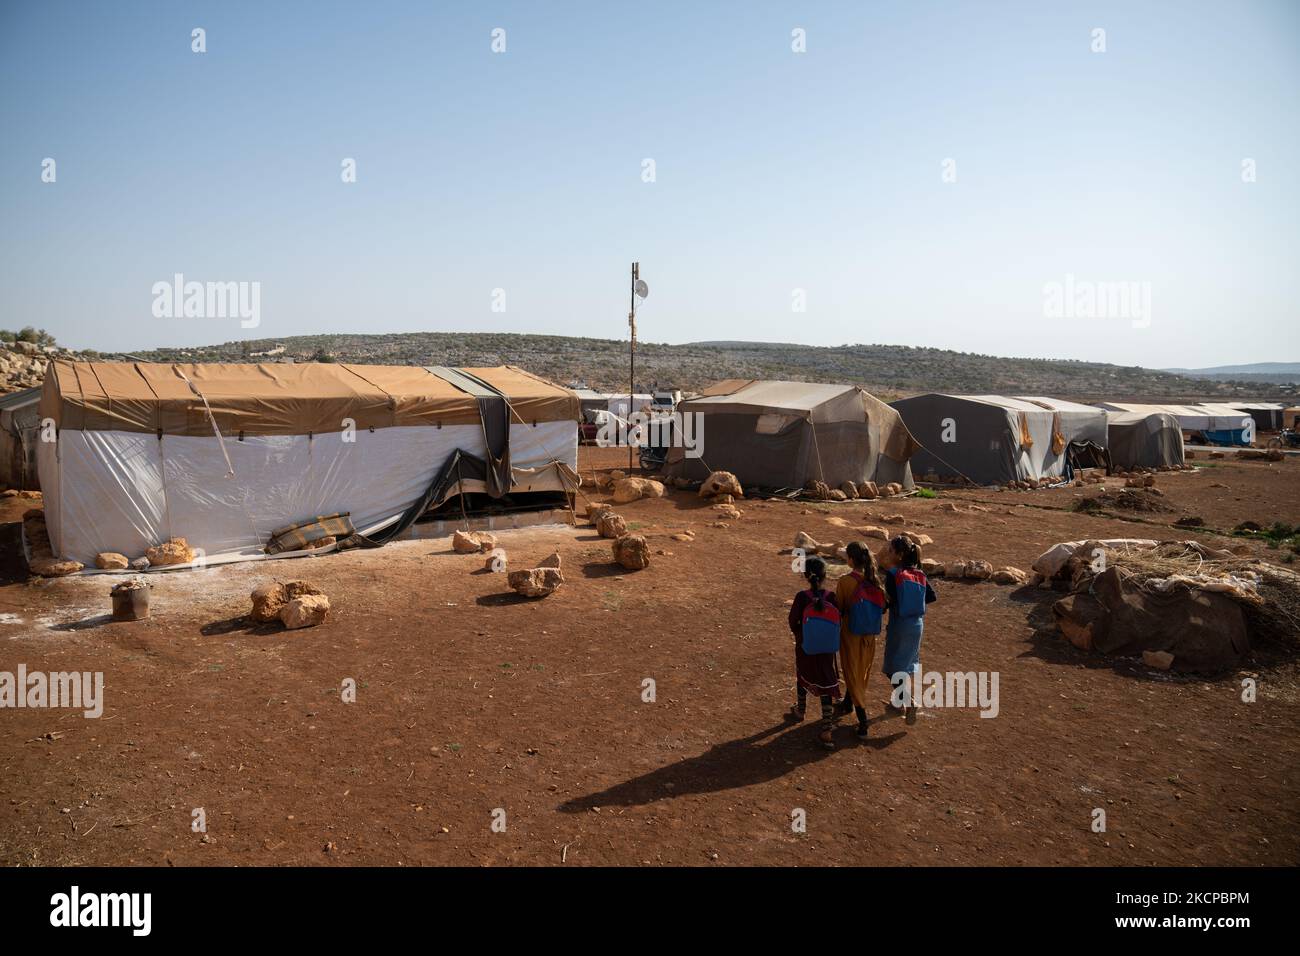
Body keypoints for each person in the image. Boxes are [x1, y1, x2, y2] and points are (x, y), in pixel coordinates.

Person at [787, 555, 843, 750]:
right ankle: (827, 729)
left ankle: (800, 710)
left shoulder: (802, 597)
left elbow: (793, 621)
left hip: (806, 647)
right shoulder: (831, 597)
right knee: (826, 682)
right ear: (825, 575)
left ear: (805, 575)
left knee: (802, 676)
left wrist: (801, 636)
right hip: (827, 648)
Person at [880, 536, 937, 725]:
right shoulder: (919, 574)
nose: (889, 553)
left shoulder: (893, 574)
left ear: (900, 554)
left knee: (892, 668)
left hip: (900, 625)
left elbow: (891, 600)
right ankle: (898, 703)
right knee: (906, 666)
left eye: (891, 551)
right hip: (917, 625)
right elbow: (931, 596)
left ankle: (909, 701)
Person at [836, 541, 886, 739]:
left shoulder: (845, 582)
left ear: (850, 559)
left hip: (851, 635)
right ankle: (848, 703)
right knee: (860, 672)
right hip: (869, 638)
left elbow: (839, 608)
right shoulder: (874, 580)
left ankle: (863, 720)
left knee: (851, 671)